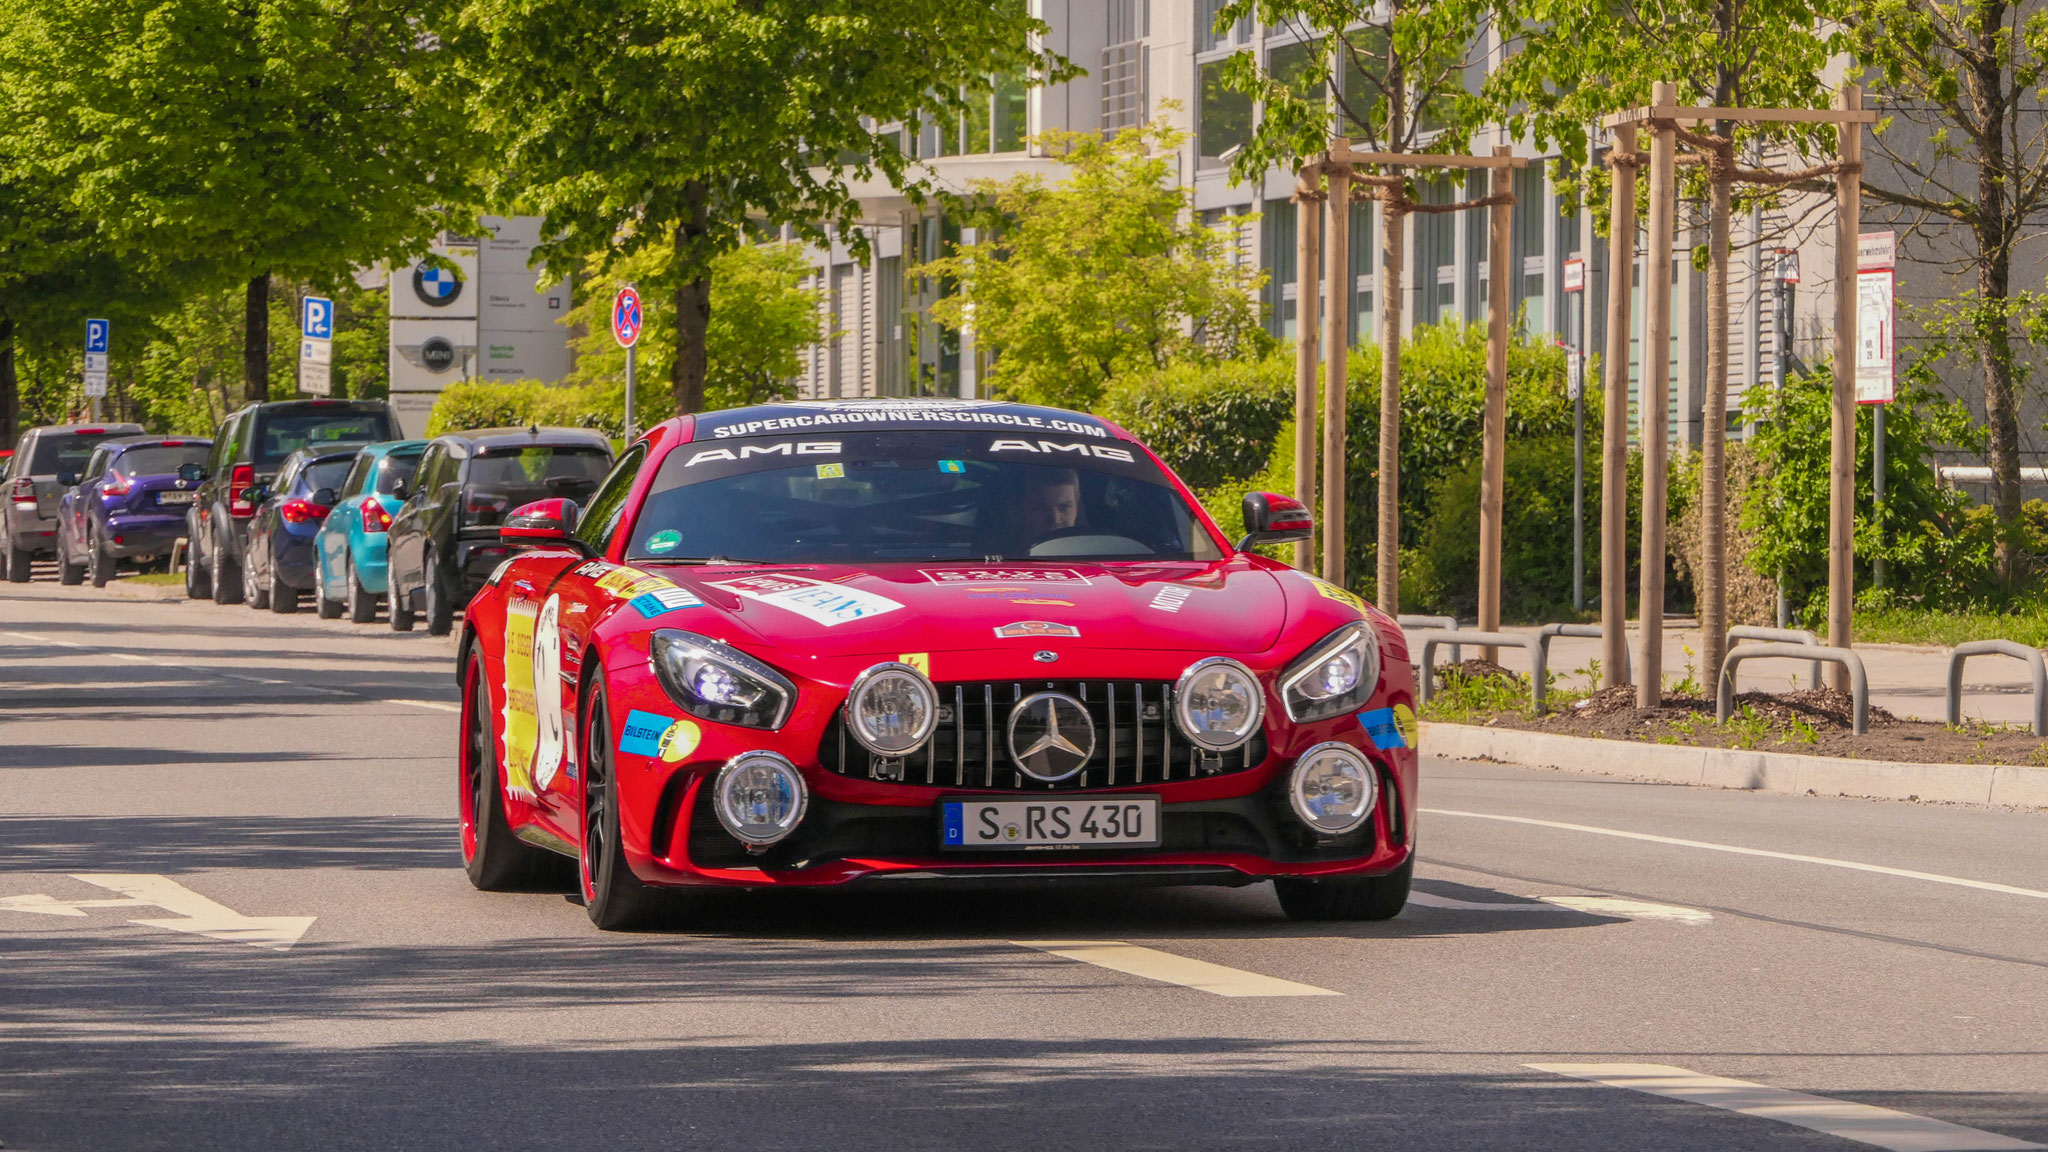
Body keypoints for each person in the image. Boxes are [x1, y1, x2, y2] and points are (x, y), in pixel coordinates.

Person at [980, 465, 1080, 556]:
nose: (1055, 519)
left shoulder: (1091, 550)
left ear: (1077, 508)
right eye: (1042, 508)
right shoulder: (989, 559)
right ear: (1015, 511)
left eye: (1065, 507)